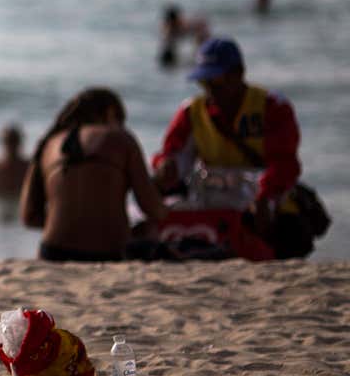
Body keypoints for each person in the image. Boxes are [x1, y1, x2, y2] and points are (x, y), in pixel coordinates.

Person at [151, 37, 301, 242]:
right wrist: (165, 167)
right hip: (211, 202)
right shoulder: (191, 111)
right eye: (204, 82)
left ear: (239, 73)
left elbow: (284, 163)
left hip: (264, 202)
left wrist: (265, 198)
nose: (210, 89)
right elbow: (174, 158)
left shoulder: (272, 106)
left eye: (216, 81)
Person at [18, 88, 164, 262]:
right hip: (108, 252)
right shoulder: (121, 139)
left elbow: (29, 217)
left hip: (53, 252)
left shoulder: (49, 143)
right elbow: (153, 210)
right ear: (110, 112)